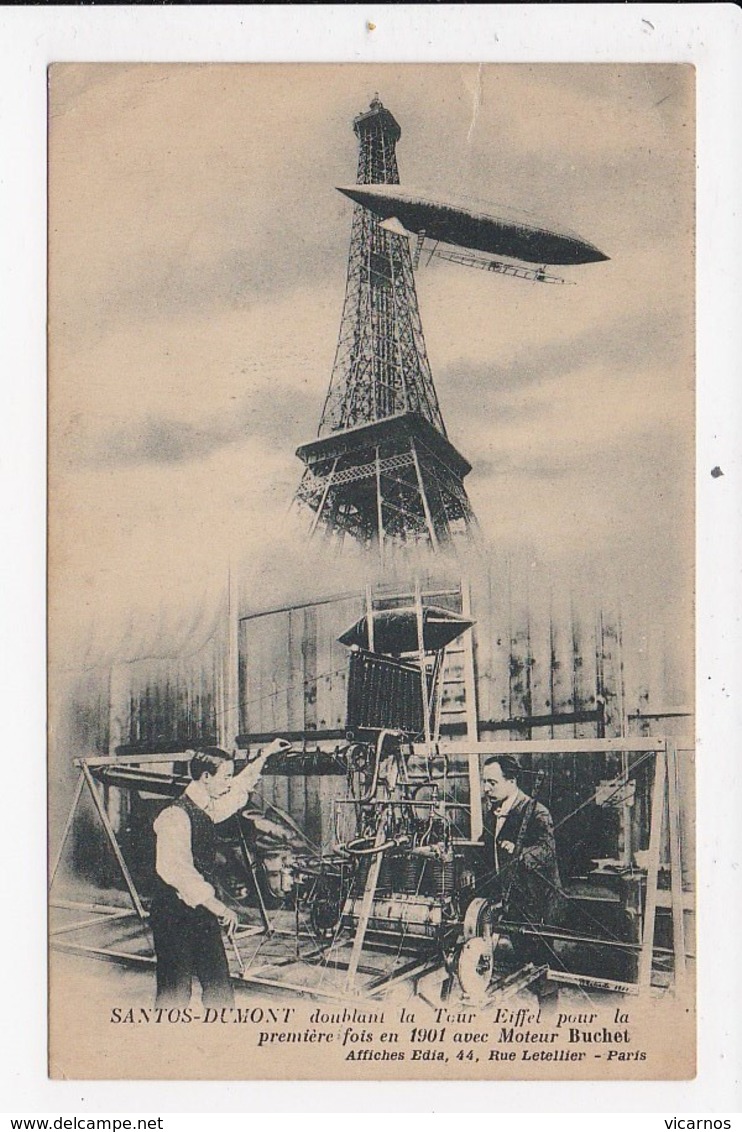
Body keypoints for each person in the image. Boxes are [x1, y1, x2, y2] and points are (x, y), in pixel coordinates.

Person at [150, 739, 290, 1008]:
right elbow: (176, 871)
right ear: (205, 777)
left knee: (219, 989)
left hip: (200, 911)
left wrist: (266, 755)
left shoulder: (207, 807)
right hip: (172, 915)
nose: (228, 781)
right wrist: (219, 907)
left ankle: (223, 1042)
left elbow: (238, 788)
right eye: (224, 776)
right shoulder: (174, 816)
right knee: (174, 991)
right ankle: (163, 1043)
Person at [479, 754, 564, 982]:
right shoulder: (493, 813)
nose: (486, 788)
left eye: (492, 782)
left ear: (512, 781)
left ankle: (548, 1012)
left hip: (538, 903)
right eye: (484, 781)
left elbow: (547, 851)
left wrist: (519, 851)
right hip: (512, 901)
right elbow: (485, 847)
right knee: (523, 966)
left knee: (541, 968)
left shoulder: (536, 812)